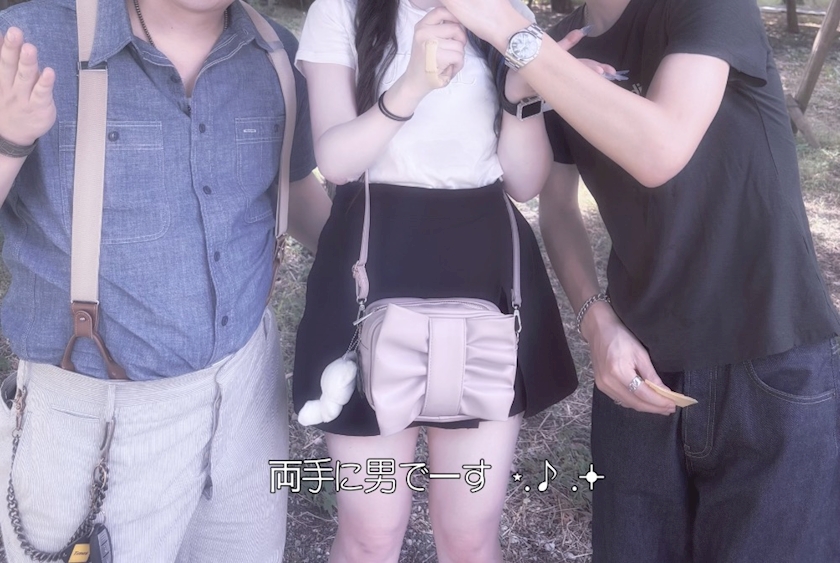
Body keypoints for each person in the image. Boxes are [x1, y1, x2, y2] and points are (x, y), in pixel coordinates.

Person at [437, 0, 840, 561]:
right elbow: (556, 206)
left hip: (771, 358)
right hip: (640, 369)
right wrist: (596, 322)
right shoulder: (562, 41)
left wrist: (509, 30)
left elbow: (659, 147)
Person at [0, 0, 331, 560]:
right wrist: (8, 143)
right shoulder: (26, 42)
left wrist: (385, 270)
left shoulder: (277, 57)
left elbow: (294, 192)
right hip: (96, 423)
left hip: (247, 394)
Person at [291, 0, 579, 561]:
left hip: (485, 277)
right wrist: (412, 85)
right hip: (368, 272)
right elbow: (338, 161)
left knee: (470, 535)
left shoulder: (506, 14)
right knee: (370, 534)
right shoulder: (341, 10)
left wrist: (521, 96)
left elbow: (524, 182)